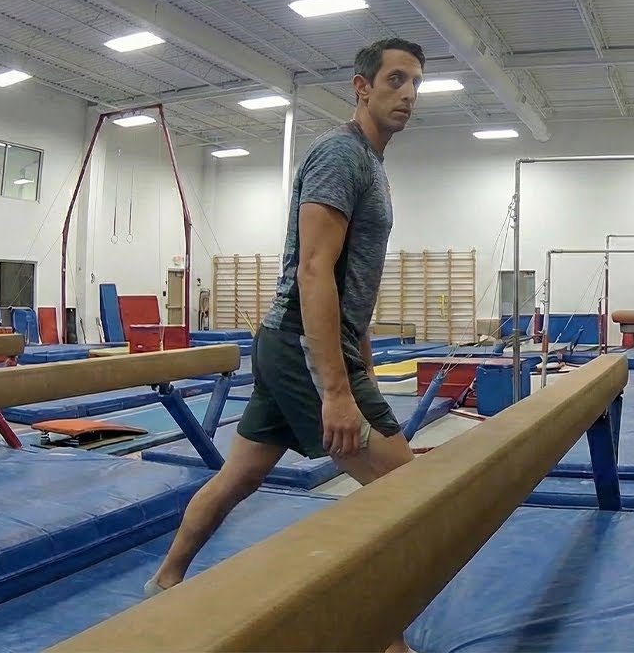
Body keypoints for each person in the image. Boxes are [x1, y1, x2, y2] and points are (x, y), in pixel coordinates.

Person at [144, 38, 426, 653]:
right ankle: (387, 641)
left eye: (415, 84)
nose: (408, 94)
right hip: (304, 345)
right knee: (407, 497)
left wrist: (361, 354)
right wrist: (336, 390)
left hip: (303, 343)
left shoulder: (371, 165)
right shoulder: (340, 156)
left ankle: (165, 579)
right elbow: (314, 270)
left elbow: (352, 278)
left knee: (239, 476)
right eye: (395, 80)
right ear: (362, 88)